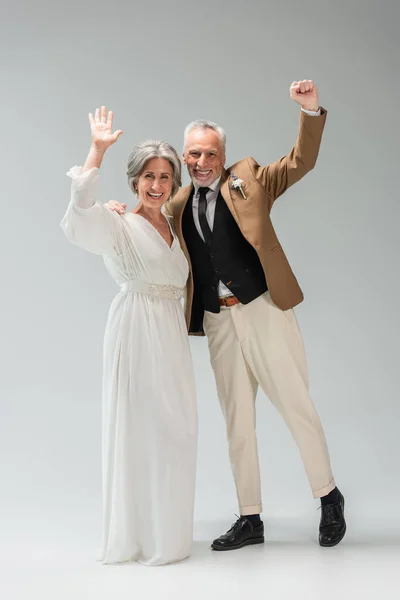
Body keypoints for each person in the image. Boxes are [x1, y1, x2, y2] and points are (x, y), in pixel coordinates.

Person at [109, 80, 347, 551]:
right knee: (236, 419)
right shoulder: (176, 202)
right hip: (219, 320)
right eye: (192, 154)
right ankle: (250, 517)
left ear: (223, 155)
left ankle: (329, 496)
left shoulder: (252, 179)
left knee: (296, 406)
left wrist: (311, 111)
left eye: (209, 154)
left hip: (263, 309)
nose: (200, 163)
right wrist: (120, 209)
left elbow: (302, 160)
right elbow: (148, 213)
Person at [61, 106, 197, 566]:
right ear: (134, 180)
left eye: (165, 176)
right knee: (143, 430)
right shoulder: (116, 222)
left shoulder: (175, 230)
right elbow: (79, 214)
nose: (157, 185)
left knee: (177, 432)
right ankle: (138, 539)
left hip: (171, 338)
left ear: (174, 182)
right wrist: (96, 150)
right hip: (136, 330)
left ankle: (169, 536)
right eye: (148, 176)